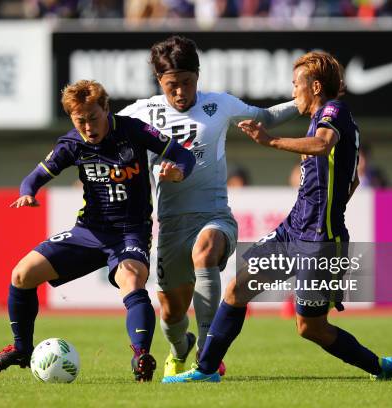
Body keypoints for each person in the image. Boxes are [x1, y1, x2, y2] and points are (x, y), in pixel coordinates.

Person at [163, 51, 392, 383]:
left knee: (310, 327)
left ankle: (378, 366)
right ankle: (206, 370)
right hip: (293, 231)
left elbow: (322, 145)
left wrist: (270, 140)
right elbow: (353, 179)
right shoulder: (321, 118)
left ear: (315, 86)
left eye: (296, 85)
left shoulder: (334, 111)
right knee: (236, 289)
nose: (293, 93)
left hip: (320, 240)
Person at [0, 80, 196, 382]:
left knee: (131, 280)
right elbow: (34, 178)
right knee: (22, 274)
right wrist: (28, 192)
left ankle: (141, 357)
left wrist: (179, 171)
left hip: (129, 233)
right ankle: (20, 349)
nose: (88, 126)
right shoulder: (71, 144)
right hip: (89, 232)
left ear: (106, 108)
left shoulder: (133, 130)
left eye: (93, 117)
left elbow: (183, 155)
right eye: (79, 120)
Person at [118, 35, 298, 378]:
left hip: (214, 214)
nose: (181, 92)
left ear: (198, 77)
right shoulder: (142, 113)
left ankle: (207, 352)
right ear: (160, 82)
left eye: (187, 83)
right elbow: (103, 130)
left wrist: (301, 103)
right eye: (173, 85)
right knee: (170, 316)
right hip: (170, 224)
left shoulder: (219, 104)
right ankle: (180, 348)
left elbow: (265, 116)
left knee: (206, 250)